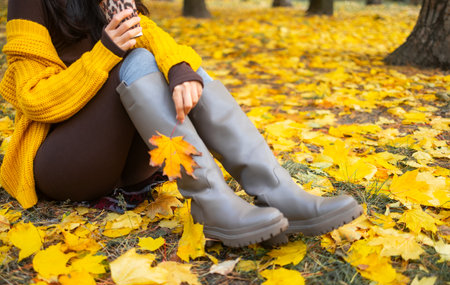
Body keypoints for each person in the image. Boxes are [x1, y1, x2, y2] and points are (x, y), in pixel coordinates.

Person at [0, 0, 362, 247]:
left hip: (124, 162)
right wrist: (105, 53)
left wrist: (181, 72)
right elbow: (34, 100)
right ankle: (210, 200)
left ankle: (276, 192)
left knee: (179, 67)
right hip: (62, 161)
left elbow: (158, 39)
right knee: (136, 58)